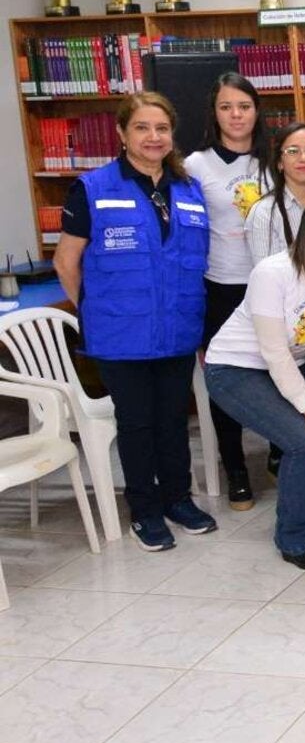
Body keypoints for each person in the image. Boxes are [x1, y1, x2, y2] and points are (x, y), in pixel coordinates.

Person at [53, 92, 215, 552]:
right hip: (120, 335)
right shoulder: (93, 188)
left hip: (178, 330)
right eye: (142, 128)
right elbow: (67, 261)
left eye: (161, 128)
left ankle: (178, 500)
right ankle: (145, 511)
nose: (153, 137)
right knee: (137, 423)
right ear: (122, 134)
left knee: (174, 421)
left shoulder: (188, 190)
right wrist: (95, 311)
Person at [205, 196, 305, 570]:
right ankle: (293, 536)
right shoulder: (272, 271)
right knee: (304, 441)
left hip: (293, 364)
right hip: (235, 368)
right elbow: (273, 351)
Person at [183, 72, 269, 509]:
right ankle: (235, 468)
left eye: (245, 106)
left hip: (270, 285)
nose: (236, 115)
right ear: (214, 114)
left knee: (280, 369)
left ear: (257, 111)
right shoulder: (196, 165)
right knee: (224, 379)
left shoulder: (272, 159)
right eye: (226, 107)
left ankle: (279, 450)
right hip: (221, 287)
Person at [245, 122, 305, 261]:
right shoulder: (265, 212)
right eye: (293, 151)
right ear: (280, 162)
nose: (304, 158)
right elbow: (268, 276)